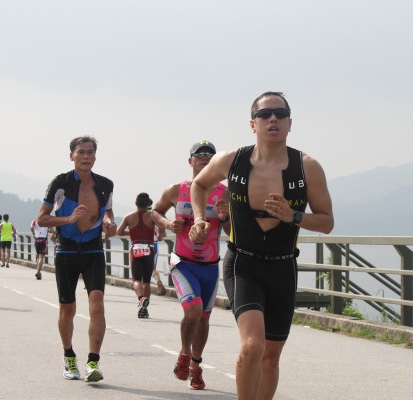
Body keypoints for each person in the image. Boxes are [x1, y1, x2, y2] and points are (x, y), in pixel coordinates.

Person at [188, 91, 334, 400]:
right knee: (252, 346)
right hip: (244, 263)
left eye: (280, 114)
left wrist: (294, 216)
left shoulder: (307, 167)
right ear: (253, 124)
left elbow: (326, 222)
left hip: (282, 267)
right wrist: (200, 218)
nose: (273, 119)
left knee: (270, 358)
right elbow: (199, 184)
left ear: (290, 123)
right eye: (265, 114)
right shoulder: (232, 160)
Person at [36, 136, 117, 382]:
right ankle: (69, 356)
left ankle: (93, 362)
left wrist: (109, 224)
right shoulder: (60, 183)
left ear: (95, 157)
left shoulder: (105, 185)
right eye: (81, 152)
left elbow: (108, 212)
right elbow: (42, 219)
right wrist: (68, 219)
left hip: (93, 250)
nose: (86, 156)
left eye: (90, 152)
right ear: (71, 156)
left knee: (97, 305)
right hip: (66, 251)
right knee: (67, 309)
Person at [151, 140, 230, 390]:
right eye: (200, 154)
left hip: (210, 266)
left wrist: (225, 217)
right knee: (194, 311)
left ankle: (196, 365)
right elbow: (155, 211)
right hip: (183, 263)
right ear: (190, 160)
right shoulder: (176, 190)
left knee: (204, 319)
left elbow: (232, 232)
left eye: (210, 155)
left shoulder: (225, 193)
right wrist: (167, 224)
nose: (205, 158)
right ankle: (185, 354)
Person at [116, 193, 157, 318]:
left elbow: (119, 232)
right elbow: (161, 233)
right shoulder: (152, 216)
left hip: (136, 249)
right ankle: (144, 309)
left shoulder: (129, 217)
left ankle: (141, 298)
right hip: (149, 248)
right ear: (148, 204)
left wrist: (131, 233)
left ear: (135, 203)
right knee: (147, 281)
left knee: (137, 280)